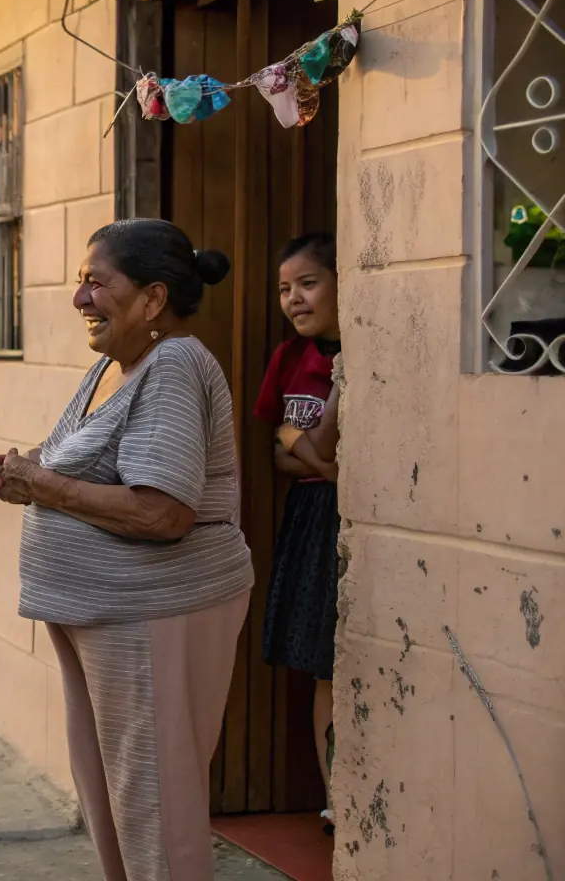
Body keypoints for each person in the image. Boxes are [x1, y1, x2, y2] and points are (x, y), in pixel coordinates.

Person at [0, 219, 252, 881]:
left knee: (154, 806)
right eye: (81, 282)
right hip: (99, 614)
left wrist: (41, 484)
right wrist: (23, 473)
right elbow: (83, 462)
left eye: (97, 284)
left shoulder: (175, 364)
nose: (80, 299)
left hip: (152, 612)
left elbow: (164, 512)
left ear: (154, 298)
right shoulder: (113, 366)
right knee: (113, 798)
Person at [255, 232, 342, 830]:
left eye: (308, 284)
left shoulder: (366, 352)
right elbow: (279, 455)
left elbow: (301, 447)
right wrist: (322, 462)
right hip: (311, 517)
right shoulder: (289, 358)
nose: (294, 299)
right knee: (323, 664)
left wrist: (302, 444)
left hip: (353, 515)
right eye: (285, 289)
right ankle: (337, 799)